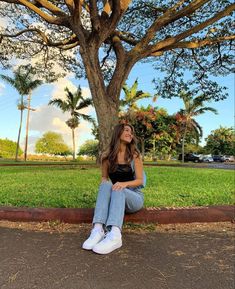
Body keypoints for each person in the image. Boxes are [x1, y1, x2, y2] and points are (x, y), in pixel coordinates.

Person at [82, 123, 144, 254]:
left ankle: (115, 235)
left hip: (134, 197)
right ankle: (98, 230)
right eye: (127, 130)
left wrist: (124, 184)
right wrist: (108, 190)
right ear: (118, 133)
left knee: (118, 188)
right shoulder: (107, 157)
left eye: (131, 132)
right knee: (105, 184)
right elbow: (104, 178)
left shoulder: (134, 155)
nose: (130, 134)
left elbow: (140, 181)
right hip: (117, 195)